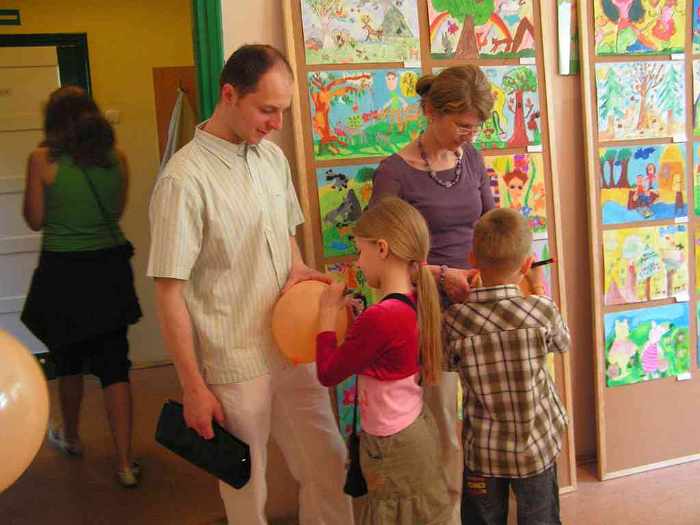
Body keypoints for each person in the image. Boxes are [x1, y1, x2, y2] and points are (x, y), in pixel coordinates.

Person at [147, 45, 353, 524]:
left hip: (293, 347)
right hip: (234, 361)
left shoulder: (272, 159)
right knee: (247, 487)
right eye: (267, 110)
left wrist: (297, 269)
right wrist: (192, 386)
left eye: (283, 111)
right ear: (229, 95)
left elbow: (284, 234)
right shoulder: (183, 180)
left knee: (328, 461)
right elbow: (169, 293)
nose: (276, 123)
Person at [369, 65, 497, 520]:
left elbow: (488, 227)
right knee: (442, 421)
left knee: (485, 417)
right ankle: (447, 513)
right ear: (431, 112)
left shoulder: (473, 159)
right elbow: (383, 259)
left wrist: (499, 268)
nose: (469, 135)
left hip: (475, 307)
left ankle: (480, 508)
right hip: (426, 312)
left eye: (475, 127)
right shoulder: (395, 174)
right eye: (462, 125)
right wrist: (442, 275)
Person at [21, 86, 142, 487]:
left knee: (68, 359)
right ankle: (125, 463)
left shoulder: (42, 160)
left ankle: (71, 437)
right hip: (109, 269)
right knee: (115, 366)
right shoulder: (117, 158)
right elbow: (116, 212)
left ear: (53, 121)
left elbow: (35, 220)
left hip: (64, 273)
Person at [316, 197, 451, 525]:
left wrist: (326, 316)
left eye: (360, 252)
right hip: (412, 430)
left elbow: (328, 373)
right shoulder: (413, 300)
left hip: (392, 444)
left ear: (381, 248)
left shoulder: (381, 317)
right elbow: (380, 351)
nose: (358, 263)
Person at [443, 208, 570, 525]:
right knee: (540, 519)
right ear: (528, 265)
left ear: (472, 259)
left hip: (483, 452)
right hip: (535, 448)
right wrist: (538, 289)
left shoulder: (455, 319)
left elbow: (446, 363)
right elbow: (561, 343)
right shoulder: (541, 311)